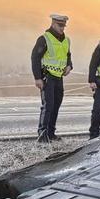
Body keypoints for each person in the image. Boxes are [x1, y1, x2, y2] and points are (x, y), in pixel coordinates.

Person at [31, 13, 73, 142]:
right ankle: (42, 135)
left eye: (63, 26)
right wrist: (38, 78)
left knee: (56, 105)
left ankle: (51, 133)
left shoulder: (66, 40)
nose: (62, 28)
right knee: (48, 106)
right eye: (59, 25)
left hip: (58, 78)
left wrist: (69, 66)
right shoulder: (44, 38)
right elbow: (35, 57)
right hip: (47, 77)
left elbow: (68, 56)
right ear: (53, 24)